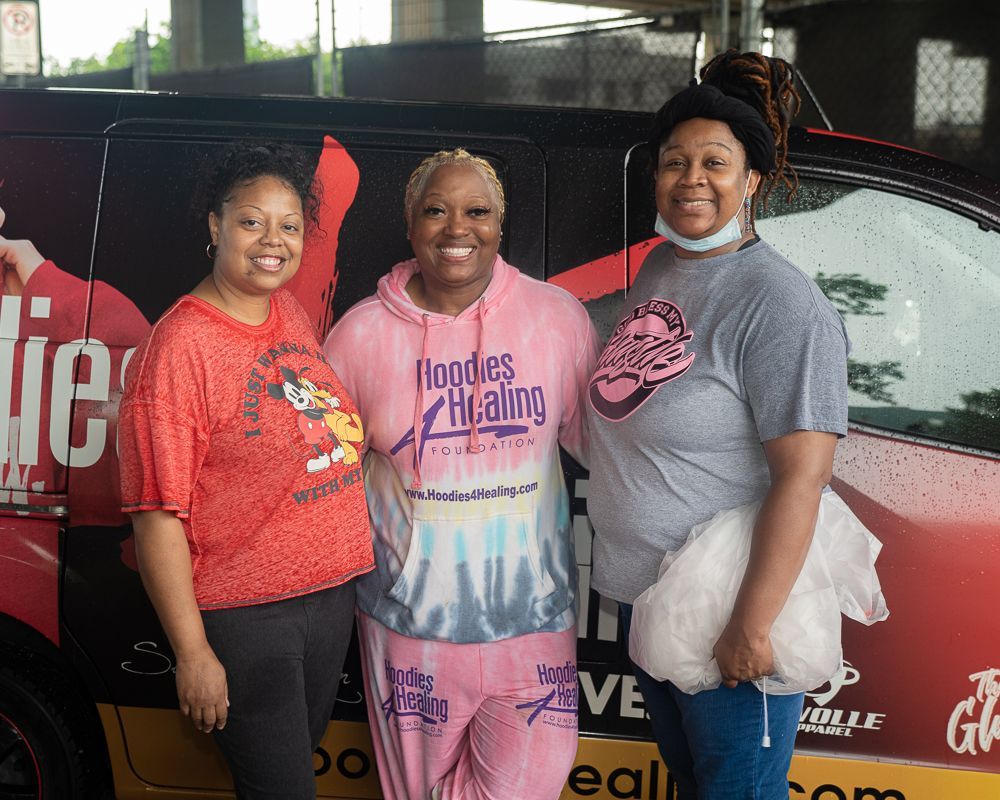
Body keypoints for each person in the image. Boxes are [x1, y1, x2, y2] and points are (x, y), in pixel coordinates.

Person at [586, 50, 850, 799]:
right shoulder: (665, 268)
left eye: (715, 162)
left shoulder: (781, 304)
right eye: (675, 162)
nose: (691, 178)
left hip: (727, 613)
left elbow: (805, 473)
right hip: (658, 607)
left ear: (751, 181)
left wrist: (751, 627)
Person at [324, 148, 600, 800]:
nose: (457, 229)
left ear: (500, 225)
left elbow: (609, 451)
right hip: (408, 631)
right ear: (411, 222)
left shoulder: (557, 318)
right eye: (436, 211)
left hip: (534, 625)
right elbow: (321, 472)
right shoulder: (358, 335)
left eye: (477, 211)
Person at [118, 142, 374, 799]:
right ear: (215, 225)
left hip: (326, 597)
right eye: (252, 221)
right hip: (249, 616)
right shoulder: (179, 349)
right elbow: (156, 518)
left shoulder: (285, 311)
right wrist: (195, 654)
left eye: (289, 226)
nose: (273, 241)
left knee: (285, 773)